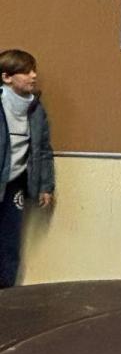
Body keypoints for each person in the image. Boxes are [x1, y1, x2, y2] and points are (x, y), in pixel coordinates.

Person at [0, 49, 55, 289]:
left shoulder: (36, 109)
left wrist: (45, 186)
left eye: (34, 70)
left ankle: (6, 295)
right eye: (25, 72)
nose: (33, 76)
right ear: (6, 77)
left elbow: (43, 150)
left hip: (14, 185)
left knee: (10, 244)